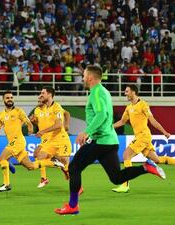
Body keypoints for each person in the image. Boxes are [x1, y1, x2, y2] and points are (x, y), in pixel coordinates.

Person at [55, 65, 166, 215]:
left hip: (100, 141)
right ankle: (146, 167)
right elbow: (106, 115)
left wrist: (86, 132)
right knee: (116, 178)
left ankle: (73, 206)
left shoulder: (96, 93)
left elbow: (101, 115)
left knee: (74, 167)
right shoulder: (104, 92)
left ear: (90, 77)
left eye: (84, 75)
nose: (82, 78)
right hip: (110, 141)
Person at [0, 90, 65, 192]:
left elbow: (28, 122)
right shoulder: (1, 115)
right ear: (3, 100)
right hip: (12, 142)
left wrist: (30, 127)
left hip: (18, 141)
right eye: (7, 98)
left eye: (11, 98)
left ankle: (6, 184)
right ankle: (53, 163)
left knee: (2, 158)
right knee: (31, 166)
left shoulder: (19, 111)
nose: (10, 99)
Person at [112, 84, 173, 193]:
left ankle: (125, 185)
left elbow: (152, 120)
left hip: (143, 136)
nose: (125, 93)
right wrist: (110, 127)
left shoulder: (143, 105)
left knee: (126, 155)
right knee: (157, 160)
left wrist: (164, 132)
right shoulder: (129, 107)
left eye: (127, 91)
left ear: (133, 92)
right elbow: (122, 122)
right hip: (141, 137)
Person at [30, 87, 71, 188]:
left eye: (42, 93)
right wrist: (34, 122)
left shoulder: (57, 107)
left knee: (66, 163)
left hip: (61, 139)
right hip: (48, 140)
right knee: (38, 156)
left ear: (49, 94)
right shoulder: (38, 110)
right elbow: (40, 123)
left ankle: (77, 186)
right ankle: (45, 177)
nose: (40, 96)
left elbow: (59, 123)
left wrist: (66, 125)